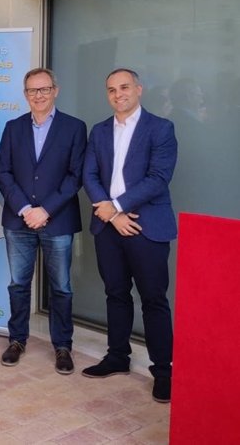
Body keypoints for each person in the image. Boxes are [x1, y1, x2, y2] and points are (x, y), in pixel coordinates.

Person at [82, 68, 177, 403]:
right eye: (111, 89)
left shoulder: (161, 128)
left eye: (124, 87)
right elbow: (89, 173)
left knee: (153, 299)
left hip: (145, 226)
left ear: (139, 89)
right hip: (108, 227)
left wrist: (117, 208)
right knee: (116, 293)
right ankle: (117, 356)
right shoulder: (100, 130)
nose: (117, 94)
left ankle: (163, 370)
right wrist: (108, 212)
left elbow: (158, 178)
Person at [0, 68, 86, 374]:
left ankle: (62, 346)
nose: (38, 95)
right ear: (25, 94)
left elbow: (76, 176)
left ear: (55, 91)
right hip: (18, 221)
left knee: (61, 287)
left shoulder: (74, 128)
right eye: (32, 91)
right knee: (18, 284)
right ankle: (17, 340)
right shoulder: (13, 127)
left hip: (56, 220)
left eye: (44, 89)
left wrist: (45, 209)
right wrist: (24, 208)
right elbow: (3, 173)